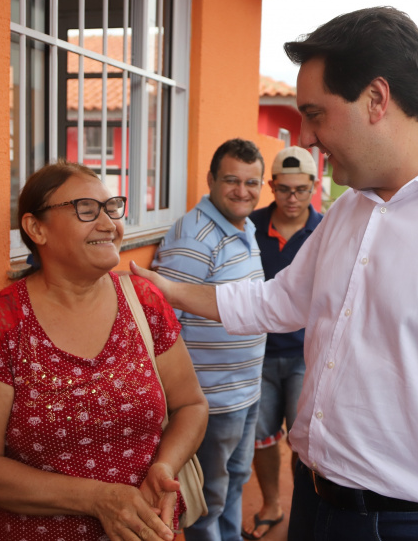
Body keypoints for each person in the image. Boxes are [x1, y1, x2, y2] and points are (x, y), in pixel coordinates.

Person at [132, 7, 418, 541]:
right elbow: (276, 302)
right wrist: (162, 288)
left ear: (377, 99)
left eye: (316, 114)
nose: (307, 138)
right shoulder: (347, 212)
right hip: (313, 503)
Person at [0, 161, 208, 541]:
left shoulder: (143, 301)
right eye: (86, 210)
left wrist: (165, 466)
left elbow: (191, 405)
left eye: (111, 207)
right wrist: (98, 498)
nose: (108, 224)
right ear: (37, 228)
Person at [151, 138, 267, 541]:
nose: (242, 191)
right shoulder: (196, 237)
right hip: (211, 401)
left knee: (234, 484)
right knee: (207, 501)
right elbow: (165, 325)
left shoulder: (244, 227)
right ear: (211, 180)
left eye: (252, 183)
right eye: (232, 180)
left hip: (244, 391)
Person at [241, 146, 322, 541]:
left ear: (314, 187)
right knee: (262, 435)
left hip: (306, 355)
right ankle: (272, 504)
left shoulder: (327, 231)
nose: (292, 199)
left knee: (304, 443)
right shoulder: (250, 226)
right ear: (271, 186)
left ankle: (301, 514)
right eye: (284, 189)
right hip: (257, 353)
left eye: (301, 190)